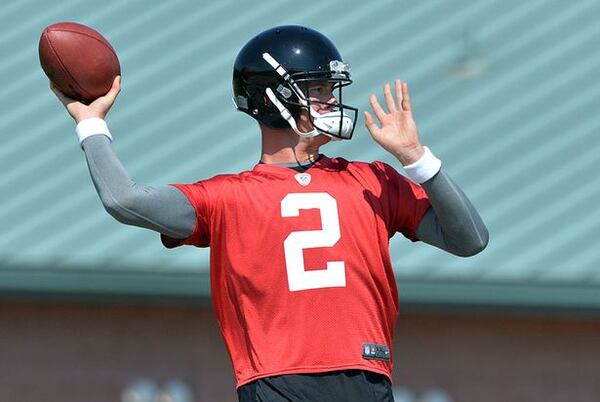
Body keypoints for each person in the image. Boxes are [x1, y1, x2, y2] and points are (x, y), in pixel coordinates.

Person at [51, 25, 488, 402]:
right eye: (317, 90)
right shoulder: (227, 199)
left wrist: (417, 158)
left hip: (365, 376)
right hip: (278, 382)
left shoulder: (376, 180)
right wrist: (90, 122)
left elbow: (470, 240)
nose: (330, 102)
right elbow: (124, 200)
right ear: (276, 98)